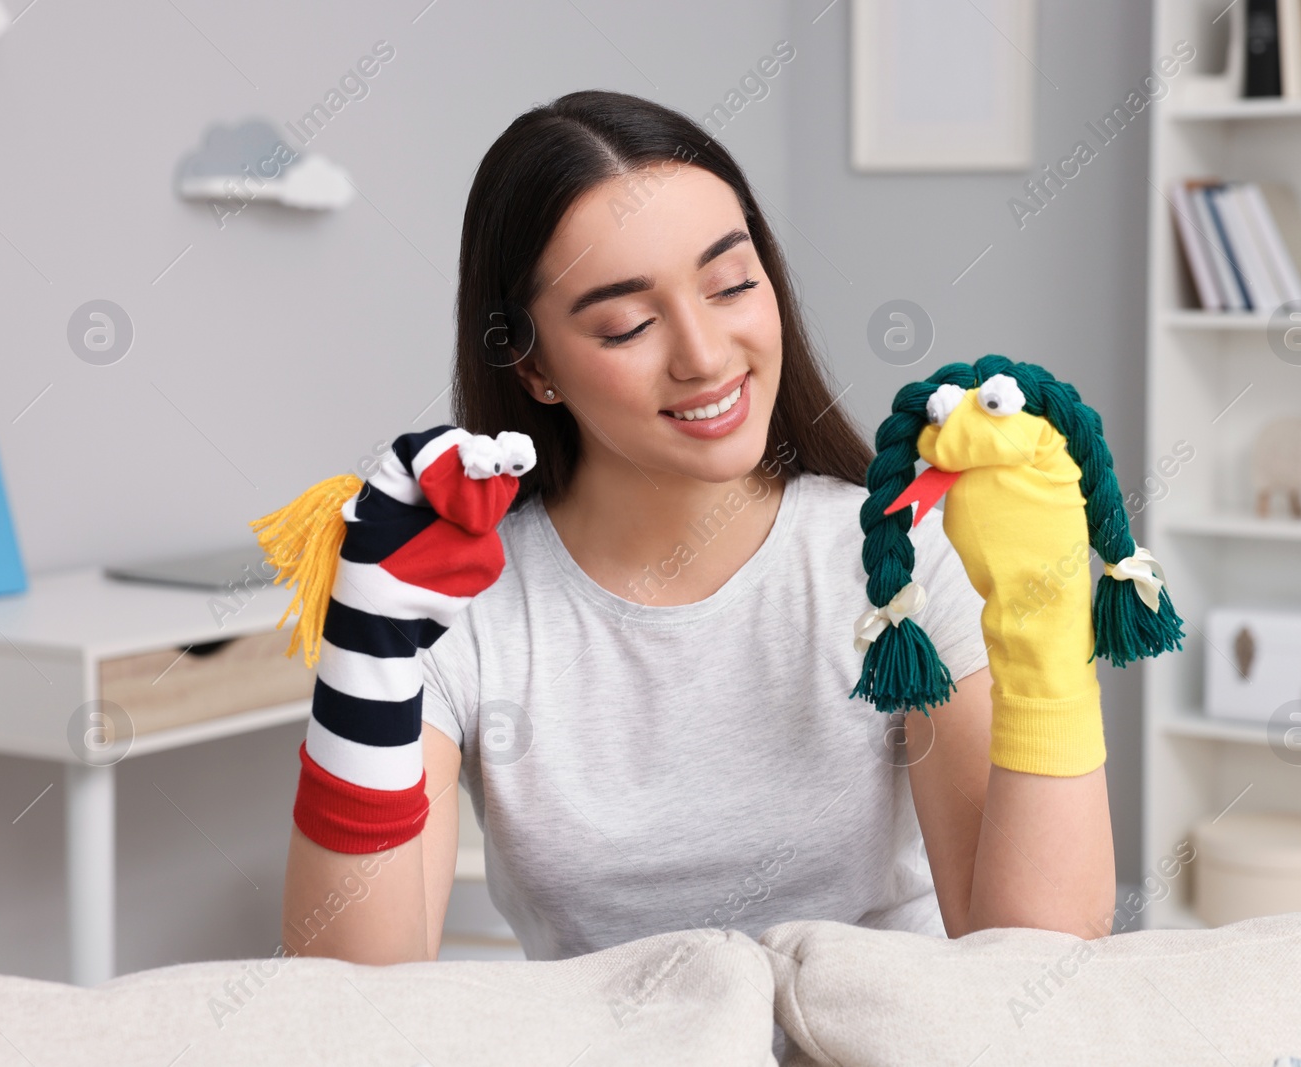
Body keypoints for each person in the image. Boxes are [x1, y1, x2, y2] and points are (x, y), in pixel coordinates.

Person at [280, 89, 1116, 969]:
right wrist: (368, 656)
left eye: (731, 284)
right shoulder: (464, 598)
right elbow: (351, 1004)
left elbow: (1034, 971)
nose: (706, 354)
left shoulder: (894, 557)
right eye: (628, 324)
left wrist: (1050, 639)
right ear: (532, 364)